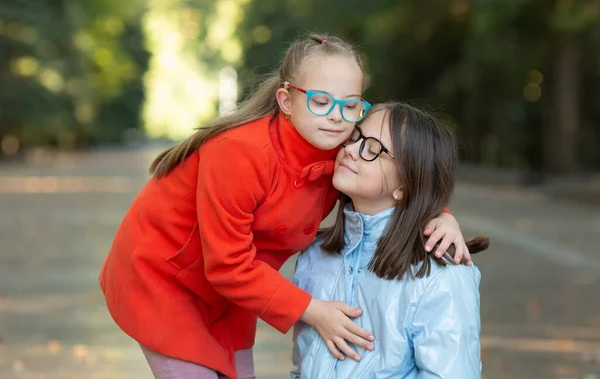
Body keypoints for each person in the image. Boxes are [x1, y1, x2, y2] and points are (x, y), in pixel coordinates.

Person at [99, 34, 470, 379]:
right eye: (321, 102)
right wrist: (313, 310)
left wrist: (439, 215)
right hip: (166, 278)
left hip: (236, 289)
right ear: (286, 101)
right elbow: (227, 263)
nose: (337, 117)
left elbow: (396, 177)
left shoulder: (338, 155)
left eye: (350, 106)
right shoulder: (239, 153)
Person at [292, 102, 484, 378]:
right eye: (355, 137)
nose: (350, 150)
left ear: (404, 185)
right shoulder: (315, 254)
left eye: (373, 149)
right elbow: (303, 363)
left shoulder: (440, 275)